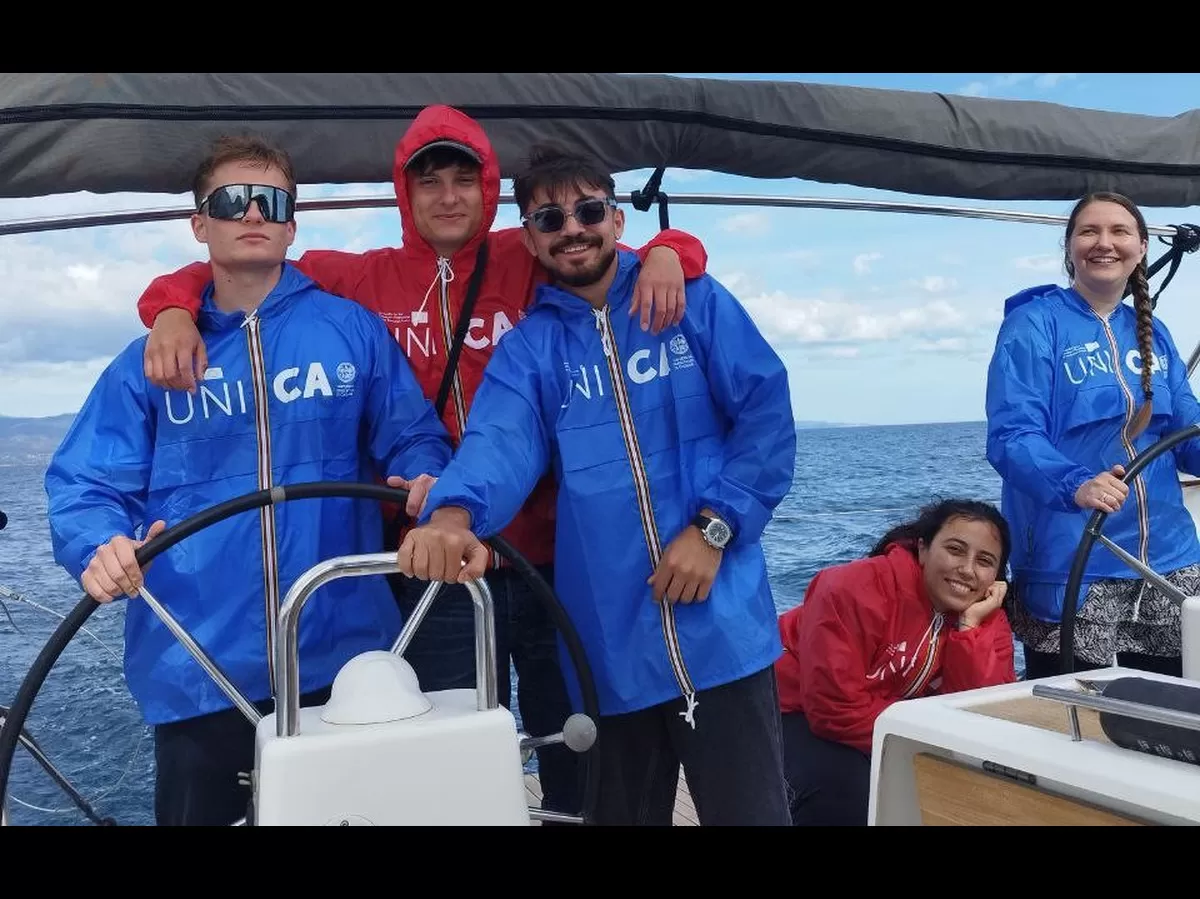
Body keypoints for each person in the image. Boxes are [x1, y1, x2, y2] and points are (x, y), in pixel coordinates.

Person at [131, 104, 709, 815]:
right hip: (432, 558)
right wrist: (170, 308)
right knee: (444, 753)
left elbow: (607, 248)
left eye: (464, 179)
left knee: (575, 745)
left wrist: (668, 250)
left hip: (554, 555)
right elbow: (246, 266)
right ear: (404, 192)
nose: (446, 195)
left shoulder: (530, 253)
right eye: (428, 179)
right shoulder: (355, 278)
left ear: (490, 187)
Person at [43, 134, 454, 826]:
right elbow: (84, 484)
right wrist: (98, 545)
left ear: (292, 224)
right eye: (233, 201)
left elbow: (414, 436)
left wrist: (427, 481)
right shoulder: (147, 362)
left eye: (272, 201)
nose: (253, 213)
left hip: (346, 663)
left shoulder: (349, 330)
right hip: (197, 668)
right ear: (201, 224)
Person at [396, 141, 798, 826]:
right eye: (550, 219)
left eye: (587, 210)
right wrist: (452, 514)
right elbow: (498, 442)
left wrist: (713, 530)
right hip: (610, 653)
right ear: (529, 236)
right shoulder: (531, 349)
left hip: (724, 638)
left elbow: (766, 419)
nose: (572, 228)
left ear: (615, 217)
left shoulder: (692, 301)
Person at [985, 191, 1200, 680]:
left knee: (1177, 723)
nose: (1105, 243)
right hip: (1076, 567)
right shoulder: (1032, 325)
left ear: (1142, 247)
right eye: (1089, 231)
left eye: (1120, 232)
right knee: (1076, 727)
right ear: (1070, 248)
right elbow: (1012, 435)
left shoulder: (1155, 333)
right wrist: (1076, 484)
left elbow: (1187, 430)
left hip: (1171, 566)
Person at [775, 499, 1017, 826]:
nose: (968, 569)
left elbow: (978, 716)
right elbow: (832, 710)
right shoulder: (853, 588)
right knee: (849, 794)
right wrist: (924, 732)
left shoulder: (985, 617)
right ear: (922, 548)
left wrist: (969, 631)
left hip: (881, 718)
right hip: (788, 710)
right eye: (955, 549)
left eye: (984, 561)